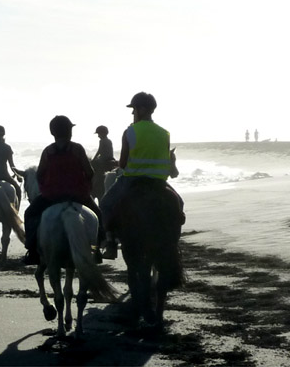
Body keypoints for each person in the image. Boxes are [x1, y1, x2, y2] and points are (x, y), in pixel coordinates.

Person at [99, 92, 186, 254]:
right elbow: (165, 160)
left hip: (132, 181)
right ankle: (173, 242)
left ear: (143, 109)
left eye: (134, 109)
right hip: (159, 183)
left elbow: (123, 164)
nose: (132, 113)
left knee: (105, 204)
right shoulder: (164, 133)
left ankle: (110, 243)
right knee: (179, 203)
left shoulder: (130, 132)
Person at [22, 115, 103, 266]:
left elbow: (40, 174)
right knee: (98, 214)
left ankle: (32, 250)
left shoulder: (48, 151)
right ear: (69, 132)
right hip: (78, 195)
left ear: (53, 133)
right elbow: (90, 171)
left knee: (30, 214)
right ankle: (98, 249)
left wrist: (45, 188)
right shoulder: (77, 149)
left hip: (52, 196)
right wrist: (86, 186)